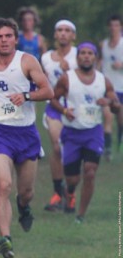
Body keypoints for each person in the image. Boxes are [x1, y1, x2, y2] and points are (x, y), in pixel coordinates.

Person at [0, 18, 53, 258]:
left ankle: (23, 205)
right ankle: (5, 240)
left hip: (27, 133)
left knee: (25, 191)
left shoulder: (27, 61)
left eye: (8, 36)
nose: (4, 40)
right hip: (0, 133)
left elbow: (48, 90)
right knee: (3, 185)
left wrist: (26, 96)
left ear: (16, 39)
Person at [51, 42, 120, 223]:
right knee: (73, 178)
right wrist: (65, 111)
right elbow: (52, 100)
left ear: (95, 57)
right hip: (72, 134)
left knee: (90, 172)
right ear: (78, 57)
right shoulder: (67, 78)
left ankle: (80, 215)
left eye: (90, 53)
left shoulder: (103, 80)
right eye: (83, 53)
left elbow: (116, 106)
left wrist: (109, 102)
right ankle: (70, 190)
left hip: (93, 133)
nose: (86, 56)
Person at [40, 19, 78, 211]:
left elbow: (89, 80)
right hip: (53, 107)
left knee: (70, 151)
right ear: (55, 34)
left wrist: (69, 71)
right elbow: (43, 83)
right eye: (60, 30)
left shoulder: (80, 55)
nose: (63, 33)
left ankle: (70, 193)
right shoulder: (46, 57)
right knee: (57, 147)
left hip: (75, 110)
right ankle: (57, 191)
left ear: (73, 35)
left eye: (67, 30)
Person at [99, 14, 123, 159]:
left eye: (116, 25)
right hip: (106, 87)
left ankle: (119, 145)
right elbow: (99, 60)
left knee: (121, 121)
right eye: (111, 25)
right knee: (107, 117)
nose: (113, 28)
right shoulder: (104, 44)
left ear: (121, 27)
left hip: (121, 87)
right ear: (108, 27)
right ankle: (107, 149)